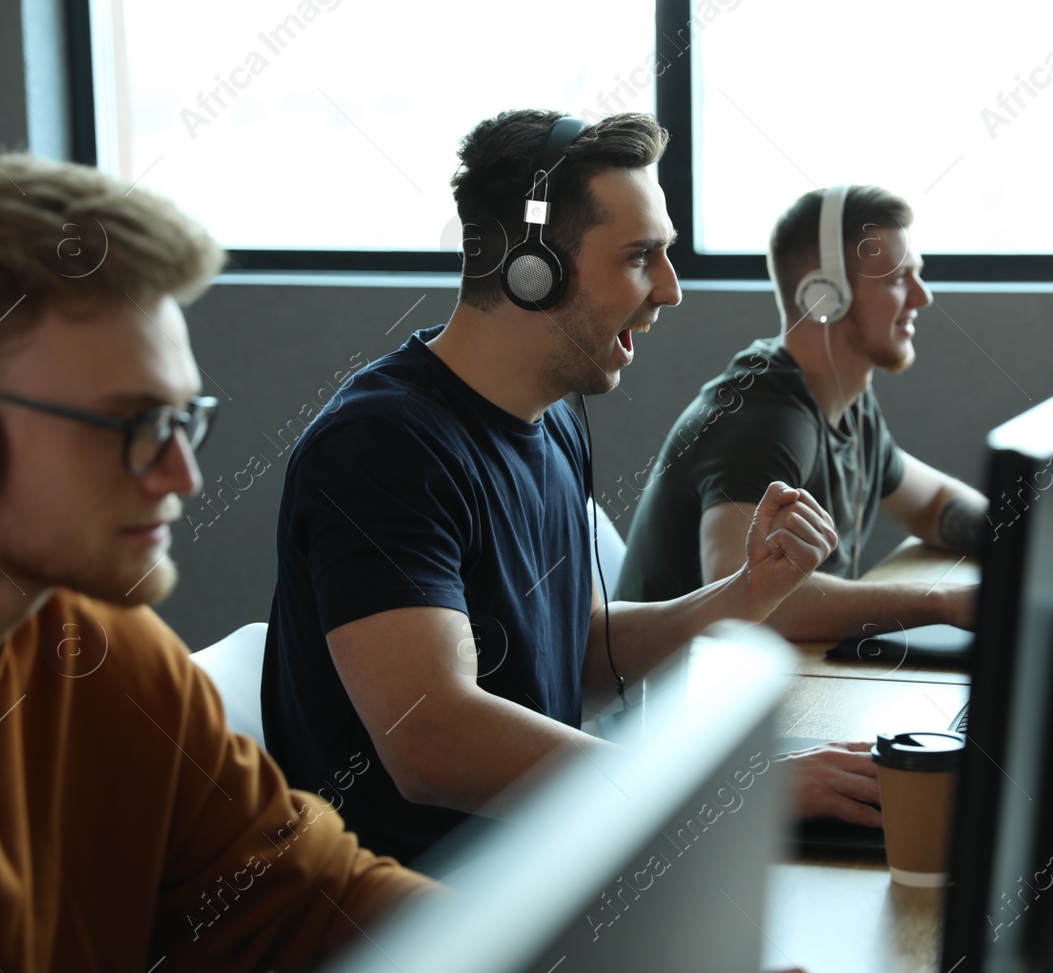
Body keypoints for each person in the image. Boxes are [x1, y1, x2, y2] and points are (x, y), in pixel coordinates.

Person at [263, 111, 884, 868]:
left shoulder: (552, 419)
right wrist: (720, 787)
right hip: (419, 923)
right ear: (533, 270)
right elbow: (433, 742)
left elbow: (582, 652)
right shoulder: (382, 448)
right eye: (639, 257)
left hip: (547, 873)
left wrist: (742, 593)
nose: (670, 289)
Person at [0, 156, 433, 973]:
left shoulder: (105, 651)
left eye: (183, 419)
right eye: (131, 423)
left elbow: (317, 894)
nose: (183, 475)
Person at [615, 185, 986, 639]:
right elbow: (749, 602)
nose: (922, 296)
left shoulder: (846, 405)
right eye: (896, 278)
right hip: (679, 702)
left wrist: (1027, 544)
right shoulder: (763, 421)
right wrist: (943, 602)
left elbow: (933, 505)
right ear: (824, 294)